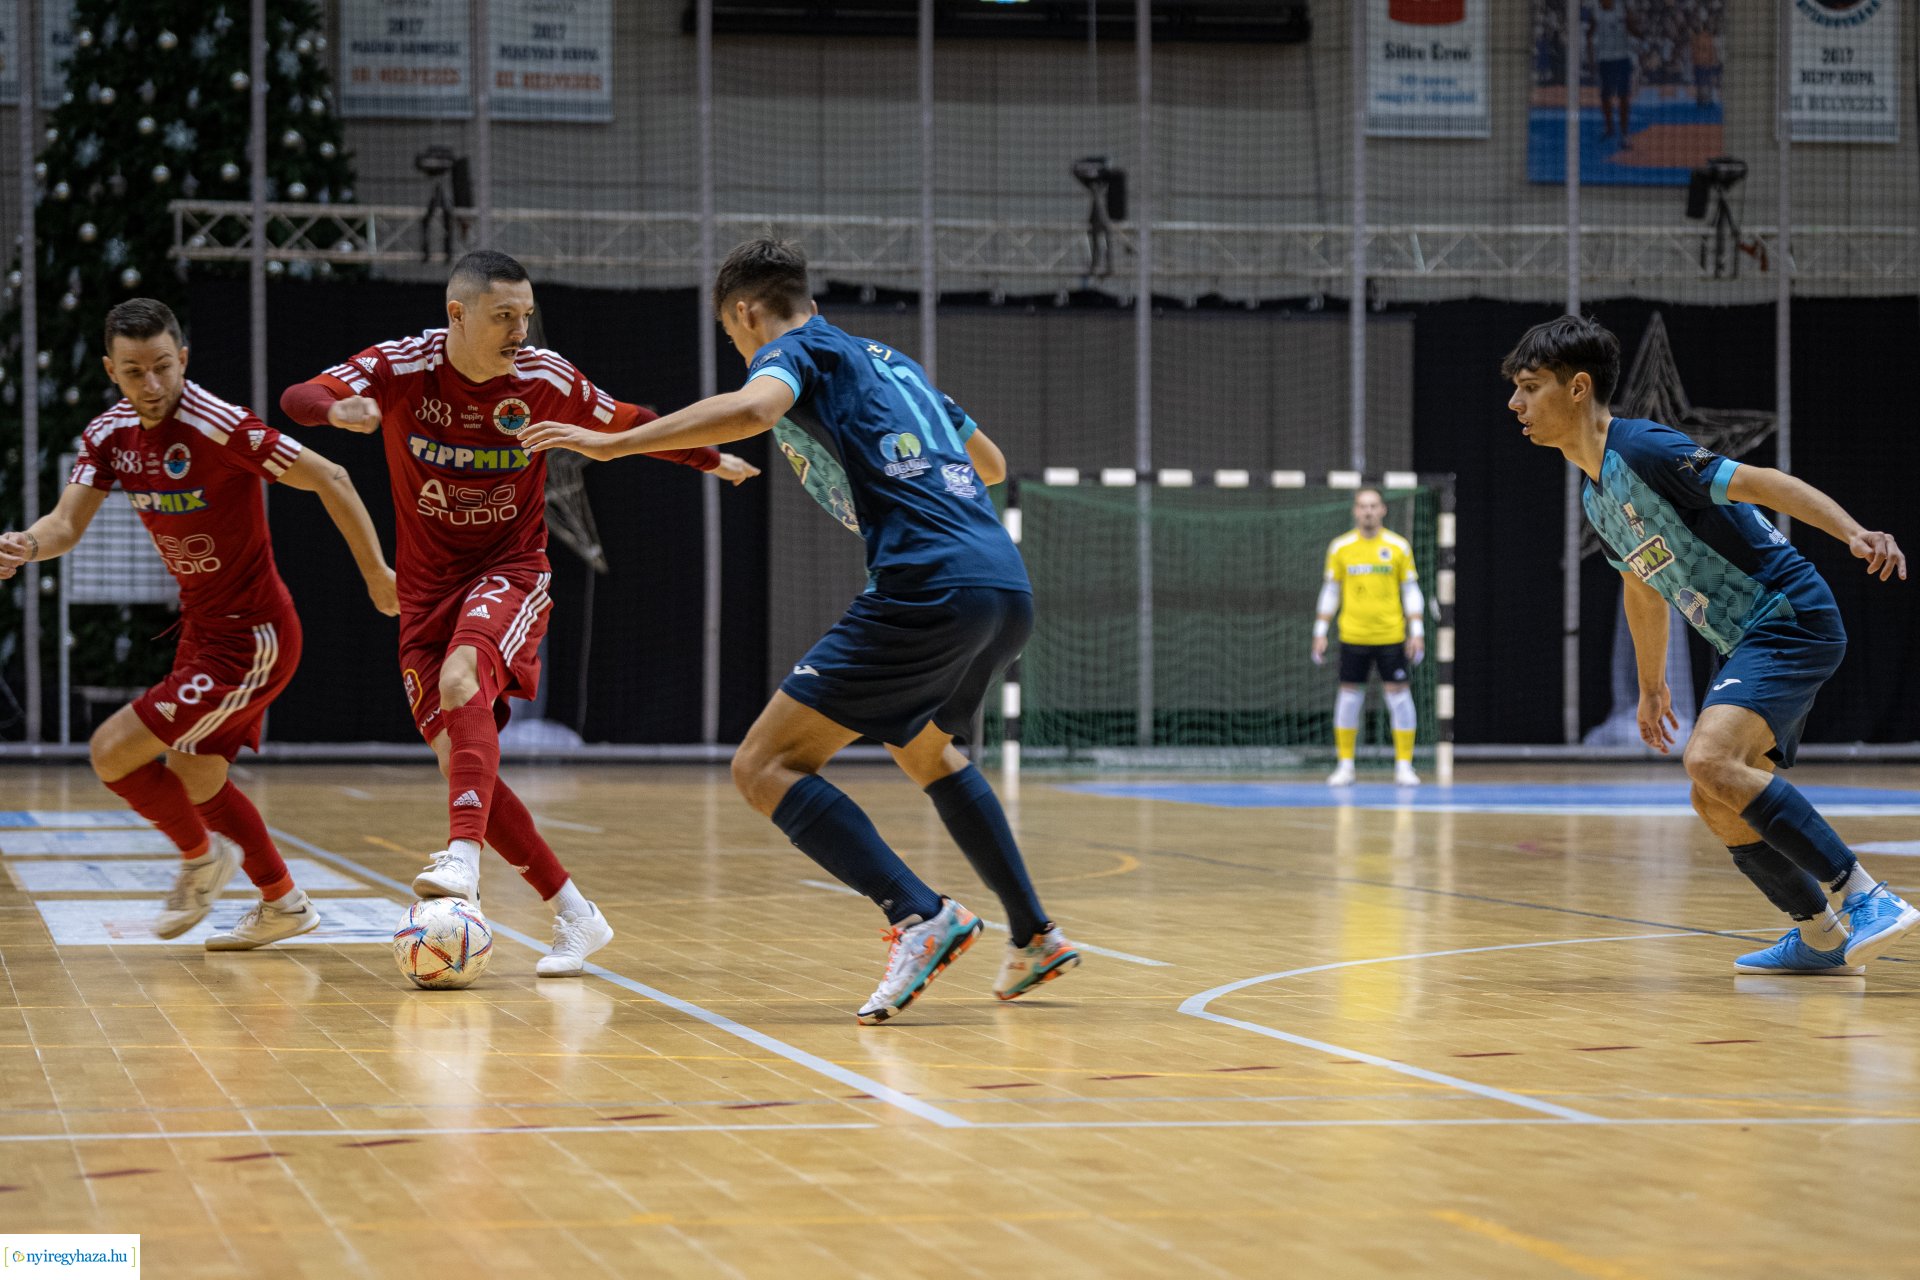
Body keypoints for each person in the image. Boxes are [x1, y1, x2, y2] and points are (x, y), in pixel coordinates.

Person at [524, 237, 1081, 1024]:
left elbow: (756, 410)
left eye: (733, 334)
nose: (741, 348)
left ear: (746, 313)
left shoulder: (794, 350)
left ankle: (919, 915)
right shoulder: (892, 363)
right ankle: (1035, 936)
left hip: (926, 584)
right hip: (1002, 584)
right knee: (924, 747)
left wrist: (616, 444)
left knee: (763, 766)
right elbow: (989, 464)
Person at [278, 250, 761, 976]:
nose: (519, 330)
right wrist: (335, 409)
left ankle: (462, 859)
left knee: (461, 679)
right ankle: (576, 914)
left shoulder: (544, 378)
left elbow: (628, 422)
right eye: (504, 316)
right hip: (424, 594)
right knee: (461, 763)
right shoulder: (405, 366)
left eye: (525, 315)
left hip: (510, 572)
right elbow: (297, 395)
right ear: (457, 315)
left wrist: (711, 458)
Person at [1503, 314, 1915, 976]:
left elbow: (1762, 481)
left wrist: (1854, 532)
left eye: (1529, 387)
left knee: (1709, 759)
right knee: (1713, 793)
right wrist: (1651, 687)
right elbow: (1642, 590)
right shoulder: (1595, 496)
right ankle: (1818, 936)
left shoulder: (1645, 449)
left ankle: (1868, 896)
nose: (1515, 403)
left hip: (1788, 616)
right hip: (1749, 639)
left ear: (1577, 388)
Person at [0, 298, 397, 948]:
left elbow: (332, 475)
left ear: (183, 358)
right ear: (111, 371)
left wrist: (378, 573)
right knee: (197, 778)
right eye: (134, 372)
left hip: (253, 637)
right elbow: (65, 524)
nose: (152, 384)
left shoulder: (218, 425)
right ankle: (283, 903)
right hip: (202, 633)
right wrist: (27, 544)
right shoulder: (108, 435)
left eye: (163, 366)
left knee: (111, 751)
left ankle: (200, 859)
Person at [1311, 487, 1425, 788]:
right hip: (1353, 635)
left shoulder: (1398, 546)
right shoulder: (1341, 547)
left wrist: (1417, 631)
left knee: (1399, 697)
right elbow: (1331, 590)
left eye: (1374, 506)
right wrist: (1320, 631)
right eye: (1363, 506)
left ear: (1383, 510)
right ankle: (1345, 765)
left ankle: (1404, 765)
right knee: (1349, 697)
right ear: (1355, 511)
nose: (1368, 512)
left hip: (1390, 635)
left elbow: (1410, 589)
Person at [1586, 0, 1641, 148]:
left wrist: (1638, 31)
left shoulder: (1622, 8)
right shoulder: (1596, 11)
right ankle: (1609, 127)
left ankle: (1624, 133)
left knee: (1623, 96)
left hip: (1622, 58)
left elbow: (1632, 29)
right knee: (1605, 95)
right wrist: (1591, 58)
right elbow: (1589, 35)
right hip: (1604, 59)